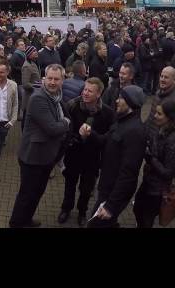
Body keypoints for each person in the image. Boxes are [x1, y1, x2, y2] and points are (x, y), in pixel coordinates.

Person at [9, 64, 70, 228]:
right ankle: (16, 224)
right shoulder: (39, 98)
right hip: (32, 157)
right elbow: (51, 128)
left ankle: (27, 219)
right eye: (49, 78)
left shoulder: (57, 97)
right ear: (44, 78)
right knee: (26, 195)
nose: (52, 82)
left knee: (37, 193)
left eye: (56, 79)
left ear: (62, 80)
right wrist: (65, 123)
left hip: (46, 156)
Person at [57, 77, 114, 226]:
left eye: (90, 91)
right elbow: (65, 131)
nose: (85, 93)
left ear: (99, 94)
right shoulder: (72, 105)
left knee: (86, 189)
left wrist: (91, 135)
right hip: (73, 154)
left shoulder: (107, 113)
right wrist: (77, 137)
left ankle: (82, 212)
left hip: (92, 158)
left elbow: (108, 138)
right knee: (70, 184)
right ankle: (66, 209)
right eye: (85, 89)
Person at [86, 85, 146, 228]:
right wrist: (90, 133)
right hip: (107, 185)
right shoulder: (122, 120)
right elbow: (105, 140)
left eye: (121, 98)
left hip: (113, 192)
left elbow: (128, 173)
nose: (117, 101)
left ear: (131, 103)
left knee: (94, 225)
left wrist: (111, 206)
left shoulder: (135, 132)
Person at [133, 99, 175, 228]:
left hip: (157, 190)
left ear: (170, 118)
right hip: (149, 182)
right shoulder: (161, 129)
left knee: (146, 219)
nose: (155, 116)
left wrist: (151, 158)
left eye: (159, 114)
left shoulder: (172, 142)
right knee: (137, 209)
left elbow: (168, 173)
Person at [21, 46, 41, 126]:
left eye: (36, 50)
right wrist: (39, 85)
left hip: (34, 96)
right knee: (26, 121)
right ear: (29, 54)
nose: (36, 52)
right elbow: (25, 84)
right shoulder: (27, 66)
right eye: (34, 51)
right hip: (29, 98)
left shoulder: (33, 63)